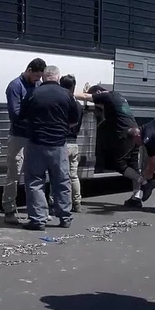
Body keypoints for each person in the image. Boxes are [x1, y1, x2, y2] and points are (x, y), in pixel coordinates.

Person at [18, 66, 81, 230]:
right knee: (61, 181)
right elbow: (74, 119)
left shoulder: (33, 94)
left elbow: (22, 116)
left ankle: (38, 220)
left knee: (34, 182)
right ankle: (65, 217)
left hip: (36, 144)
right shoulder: (66, 95)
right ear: (58, 78)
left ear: (44, 77)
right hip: (59, 145)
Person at [74, 85, 148, 207]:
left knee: (119, 164)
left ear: (98, 93)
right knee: (133, 165)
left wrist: (67, 93)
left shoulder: (106, 96)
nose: (98, 106)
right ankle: (136, 198)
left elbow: (86, 96)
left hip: (125, 133)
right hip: (134, 130)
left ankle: (144, 183)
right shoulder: (118, 96)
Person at [2, 58, 46, 224]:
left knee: (35, 174)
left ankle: (35, 210)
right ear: (28, 70)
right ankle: (9, 209)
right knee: (14, 173)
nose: (38, 80)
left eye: (40, 77)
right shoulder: (15, 86)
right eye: (36, 76)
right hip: (19, 135)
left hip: (33, 136)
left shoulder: (38, 85)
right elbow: (15, 114)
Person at [59, 75, 84, 212]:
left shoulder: (63, 103)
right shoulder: (78, 105)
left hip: (63, 143)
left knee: (58, 175)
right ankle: (77, 203)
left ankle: (55, 203)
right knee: (73, 176)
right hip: (74, 143)